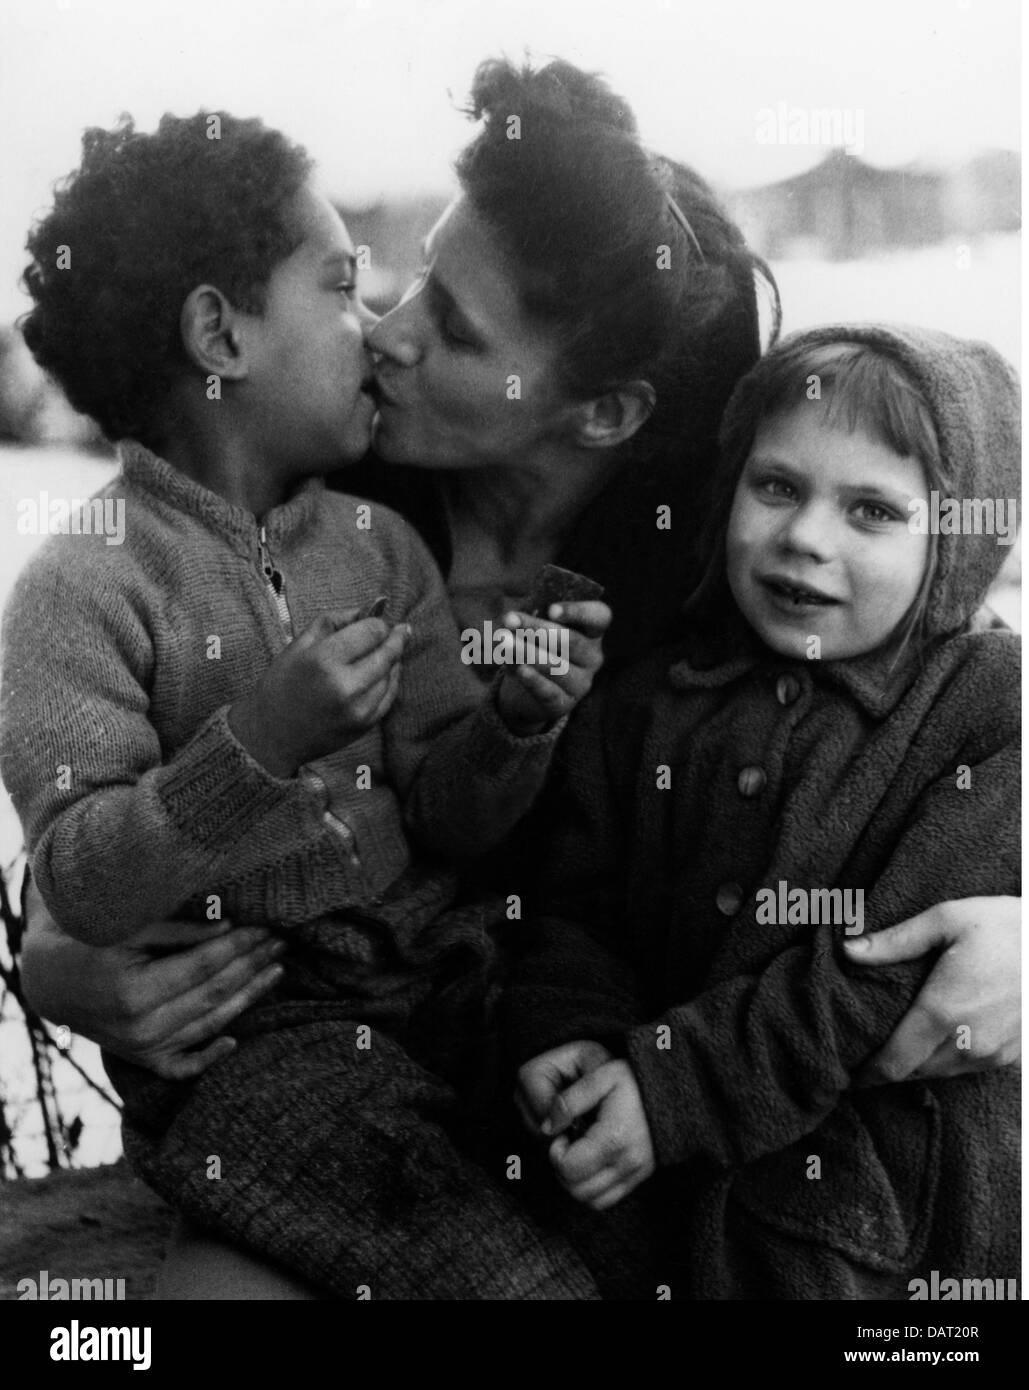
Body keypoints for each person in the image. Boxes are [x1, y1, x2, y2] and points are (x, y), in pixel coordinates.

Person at [15, 58, 1021, 1295]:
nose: (387, 330)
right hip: (321, 1065)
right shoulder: (324, 507)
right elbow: (94, 798)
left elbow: (926, 727)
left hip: (575, 1088)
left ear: (599, 415)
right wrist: (60, 956)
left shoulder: (739, 581)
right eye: (402, 281)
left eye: (454, 323)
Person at [3, 109, 614, 1299]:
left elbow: (447, 809)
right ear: (219, 332)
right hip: (260, 1043)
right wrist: (263, 740)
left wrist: (517, 722)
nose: (374, 327)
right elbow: (82, 874)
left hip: (444, 982)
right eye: (342, 287)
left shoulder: (382, 546)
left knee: (596, 1166)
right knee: (493, 1263)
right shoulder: (82, 589)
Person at [509, 325, 1020, 1298]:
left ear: (956, 539)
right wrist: (567, 1023)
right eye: (777, 486)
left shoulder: (988, 708)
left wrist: (675, 1091)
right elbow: (575, 905)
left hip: (886, 1224)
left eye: (871, 510)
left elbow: (888, 970)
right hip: (662, 1176)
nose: (805, 538)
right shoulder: (653, 698)